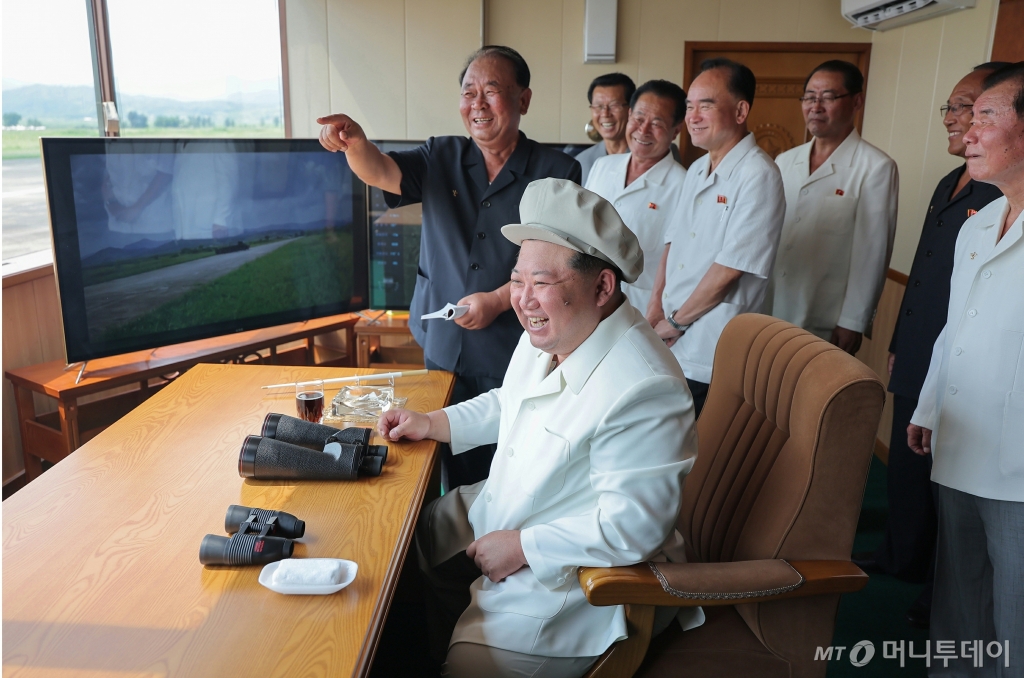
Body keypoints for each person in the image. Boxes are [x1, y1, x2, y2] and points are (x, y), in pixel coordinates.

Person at [378, 178, 700, 678]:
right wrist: (433, 421)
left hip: (577, 579)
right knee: (407, 541)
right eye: (516, 280)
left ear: (602, 286)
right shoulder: (553, 330)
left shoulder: (644, 385)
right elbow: (513, 401)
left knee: (465, 666)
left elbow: (632, 524)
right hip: (514, 501)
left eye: (542, 283)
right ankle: (441, 633)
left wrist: (524, 546)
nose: (522, 300)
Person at [317, 46, 581, 490]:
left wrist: (498, 300)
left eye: (492, 91)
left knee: (502, 458)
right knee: (429, 449)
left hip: (515, 343)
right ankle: (440, 542)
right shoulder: (442, 154)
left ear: (524, 100)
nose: (477, 103)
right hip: (442, 341)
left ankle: (487, 543)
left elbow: (557, 257)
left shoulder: (556, 170)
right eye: (468, 92)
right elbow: (381, 171)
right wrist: (356, 144)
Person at [858, 63, 1007, 630]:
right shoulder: (953, 184)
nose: (955, 119)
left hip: (966, 357)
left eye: (970, 107)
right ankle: (903, 552)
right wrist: (899, 340)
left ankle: (939, 583)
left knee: (952, 477)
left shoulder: (997, 188)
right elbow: (923, 272)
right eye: (949, 107)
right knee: (908, 464)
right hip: (926, 343)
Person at [908, 62, 1024, 673]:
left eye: (985, 117)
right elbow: (956, 327)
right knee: (959, 607)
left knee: (1015, 618)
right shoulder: (977, 226)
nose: (967, 132)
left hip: (1019, 466)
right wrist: (929, 406)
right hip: (962, 442)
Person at [650, 58, 785, 416]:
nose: (693, 116)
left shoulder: (759, 174)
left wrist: (676, 322)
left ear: (741, 111)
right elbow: (673, 242)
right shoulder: (696, 168)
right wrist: (655, 309)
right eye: (690, 106)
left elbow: (729, 269)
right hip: (671, 331)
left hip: (711, 342)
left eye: (706, 105)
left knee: (700, 454)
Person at [764, 60, 898, 354]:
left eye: (828, 97)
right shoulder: (785, 161)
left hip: (823, 316)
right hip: (768, 303)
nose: (816, 106)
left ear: (857, 101)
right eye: (810, 97)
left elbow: (871, 252)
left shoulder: (875, 167)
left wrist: (853, 320)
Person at [585, 79, 688, 314]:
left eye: (657, 123)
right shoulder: (602, 166)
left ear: (676, 130)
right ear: (629, 115)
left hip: (641, 313)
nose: (643, 130)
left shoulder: (683, 186)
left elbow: (681, 264)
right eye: (639, 119)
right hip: (588, 304)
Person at [573, 73, 635, 183]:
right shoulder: (582, 162)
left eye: (614, 105)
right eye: (598, 106)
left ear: (631, 109)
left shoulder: (651, 156)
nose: (605, 114)